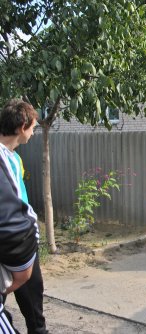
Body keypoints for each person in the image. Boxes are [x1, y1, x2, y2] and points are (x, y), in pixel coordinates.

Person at [0, 99, 42, 333]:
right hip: (16, 240)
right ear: (21, 126)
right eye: (33, 127)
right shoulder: (2, 159)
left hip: (20, 236)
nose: (34, 133)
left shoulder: (14, 157)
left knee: (33, 301)